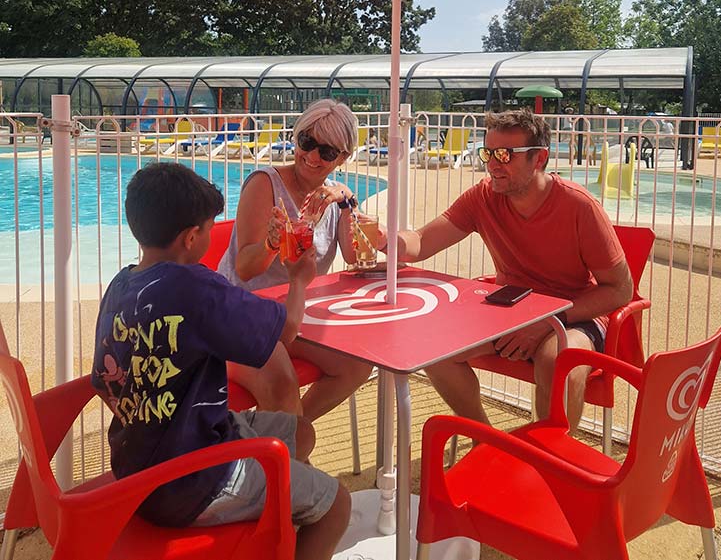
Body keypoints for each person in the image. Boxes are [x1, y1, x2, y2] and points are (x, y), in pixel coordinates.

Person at [91, 163, 350, 560]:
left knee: (300, 432)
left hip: (137, 469)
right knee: (337, 505)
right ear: (192, 237)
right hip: (194, 482)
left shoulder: (120, 286)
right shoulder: (197, 287)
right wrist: (299, 277)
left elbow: (102, 382)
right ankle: (278, 518)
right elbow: (287, 330)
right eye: (211, 229)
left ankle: (274, 523)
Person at [396, 109, 633, 432]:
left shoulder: (579, 207)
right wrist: (385, 240)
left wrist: (549, 320)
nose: (493, 164)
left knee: (557, 361)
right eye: (488, 152)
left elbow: (620, 289)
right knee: (436, 349)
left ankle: (549, 460)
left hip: (575, 314)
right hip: (513, 310)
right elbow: (422, 242)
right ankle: (487, 439)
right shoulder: (483, 197)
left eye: (505, 154)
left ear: (539, 158)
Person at [218, 99, 374, 420]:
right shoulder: (265, 183)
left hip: (291, 316)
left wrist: (347, 203)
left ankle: (292, 433)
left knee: (358, 362)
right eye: (307, 142)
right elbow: (245, 269)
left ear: (343, 157)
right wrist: (273, 243)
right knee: (281, 383)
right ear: (297, 137)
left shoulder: (334, 198)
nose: (312, 156)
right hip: (242, 315)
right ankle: (289, 450)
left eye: (327, 152)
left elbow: (356, 259)